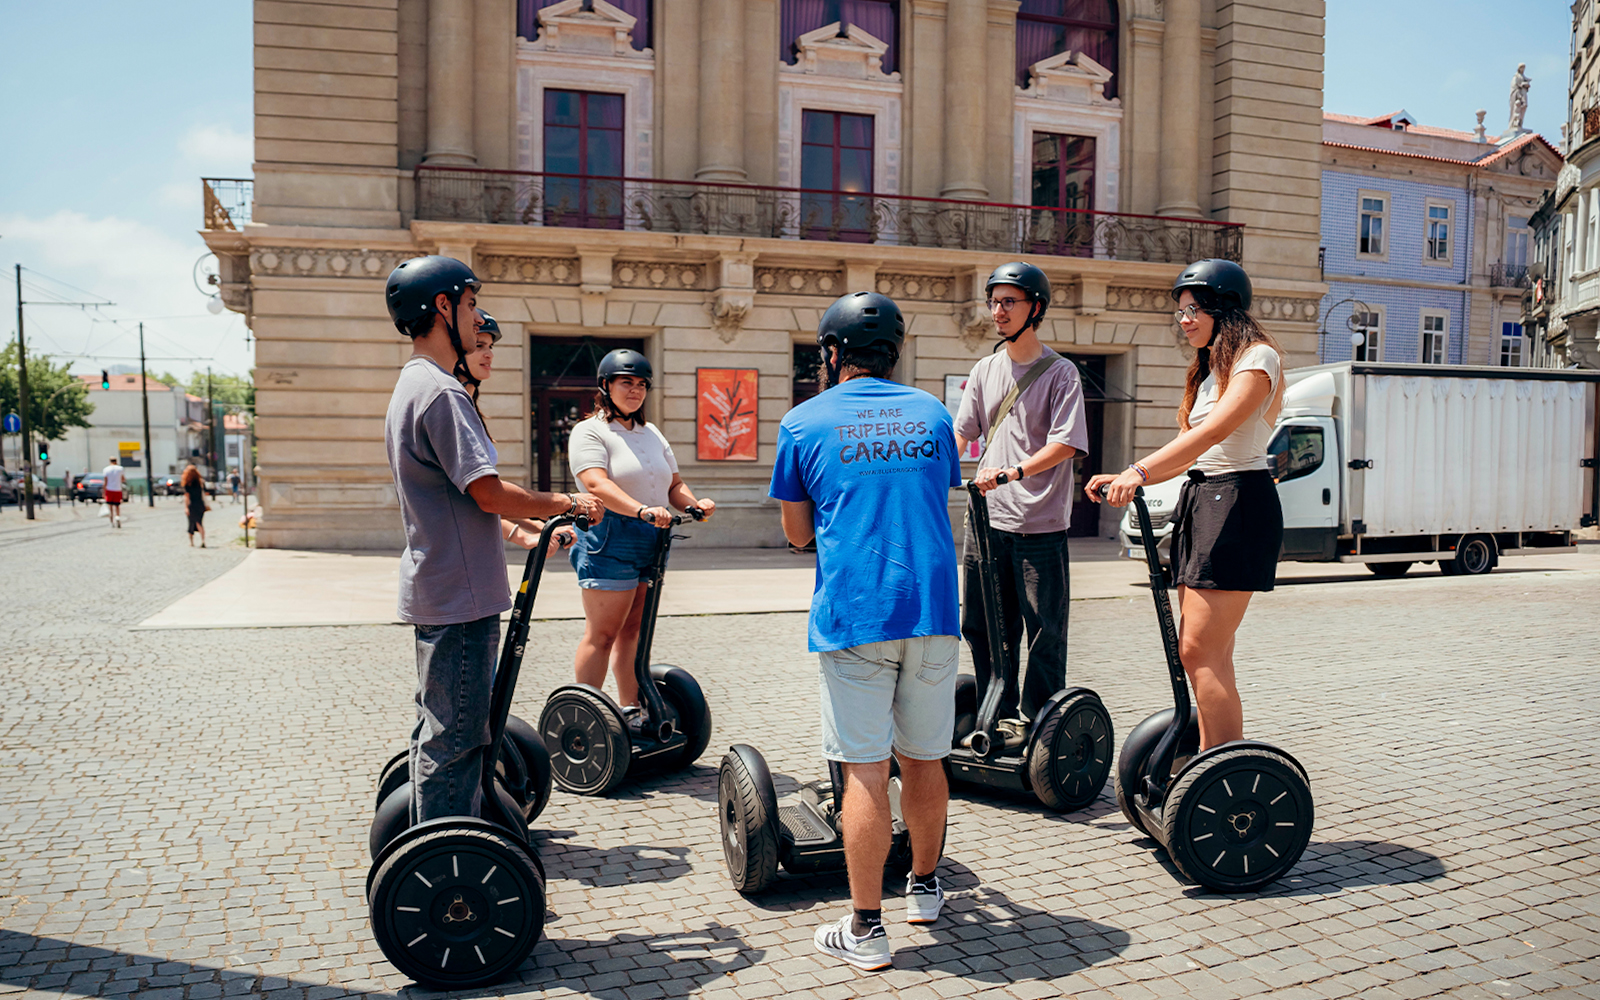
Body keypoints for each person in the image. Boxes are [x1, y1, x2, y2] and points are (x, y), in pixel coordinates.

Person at [771, 291, 962, 971]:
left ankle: (866, 929)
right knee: (925, 758)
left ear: (830, 353)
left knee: (865, 770)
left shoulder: (802, 422)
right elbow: (930, 494)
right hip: (933, 609)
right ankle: (926, 888)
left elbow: (797, 536)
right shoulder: (934, 413)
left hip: (856, 614)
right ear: (895, 352)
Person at [383, 254, 605, 823]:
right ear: (443, 307)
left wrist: (528, 532)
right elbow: (485, 491)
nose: (479, 319)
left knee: (445, 724)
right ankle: (448, 866)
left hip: (448, 584)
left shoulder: (418, 384)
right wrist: (566, 502)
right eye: (473, 305)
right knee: (456, 737)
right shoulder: (441, 393)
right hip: (459, 593)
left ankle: (440, 839)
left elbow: (465, 502)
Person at [1085, 258, 1284, 751]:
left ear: (1224, 307)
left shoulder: (1256, 359)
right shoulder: (1210, 369)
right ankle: (1211, 760)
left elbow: (1216, 433)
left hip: (1239, 502)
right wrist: (1129, 472)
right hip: (1202, 500)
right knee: (1208, 652)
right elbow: (1190, 448)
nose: (1185, 320)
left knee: (1198, 649)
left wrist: (1138, 473)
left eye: (1194, 309)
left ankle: (1220, 767)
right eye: (1181, 312)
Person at [952, 262, 1089, 739]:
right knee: (982, 626)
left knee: (1045, 631)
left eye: (1009, 301)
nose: (998, 311)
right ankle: (996, 711)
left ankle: (1042, 723)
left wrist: (1014, 471)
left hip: (1040, 524)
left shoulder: (1060, 373)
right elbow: (960, 433)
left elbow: (1066, 443)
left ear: (1036, 308)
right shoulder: (985, 369)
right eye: (993, 301)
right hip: (986, 521)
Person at [567, 348, 715, 726]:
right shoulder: (590, 431)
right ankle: (589, 716)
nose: (635, 390)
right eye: (625, 382)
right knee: (602, 633)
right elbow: (596, 483)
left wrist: (694, 505)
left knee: (634, 629)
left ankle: (630, 709)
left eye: (641, 384)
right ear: (605, 386)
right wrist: (640, 510)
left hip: (653, 535)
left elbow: (674, 484)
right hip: (610, 536)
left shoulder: (650, 433)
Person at [462, 308, 574, 553]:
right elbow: (478, 497)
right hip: (456, 556)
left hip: (477, 555)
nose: (489, 354)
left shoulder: (467, 406)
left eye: (490, 347)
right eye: (479, 345)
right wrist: (520, 535)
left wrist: (537, 526)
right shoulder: (450, 405)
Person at [181, 463, 208, 547]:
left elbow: (187, 497)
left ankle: (191, 542)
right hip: (200, 505)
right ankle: (203, 540)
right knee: (199, 523)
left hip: (192, 505)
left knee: (191, 523)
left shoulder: (187, 484)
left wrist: (186, 508)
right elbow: (206, 492)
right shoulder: (200, 482)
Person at [101, 456, 126, 528]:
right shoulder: (120, 469)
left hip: (109, 489)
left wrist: (104, 491)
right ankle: (117, 517)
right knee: (117, 506)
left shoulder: (106, 469)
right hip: (118, 489)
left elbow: (105, 481)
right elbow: (123, 479)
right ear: (116, 461)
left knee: (110, 506)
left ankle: (111, 521)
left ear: (110, 461)